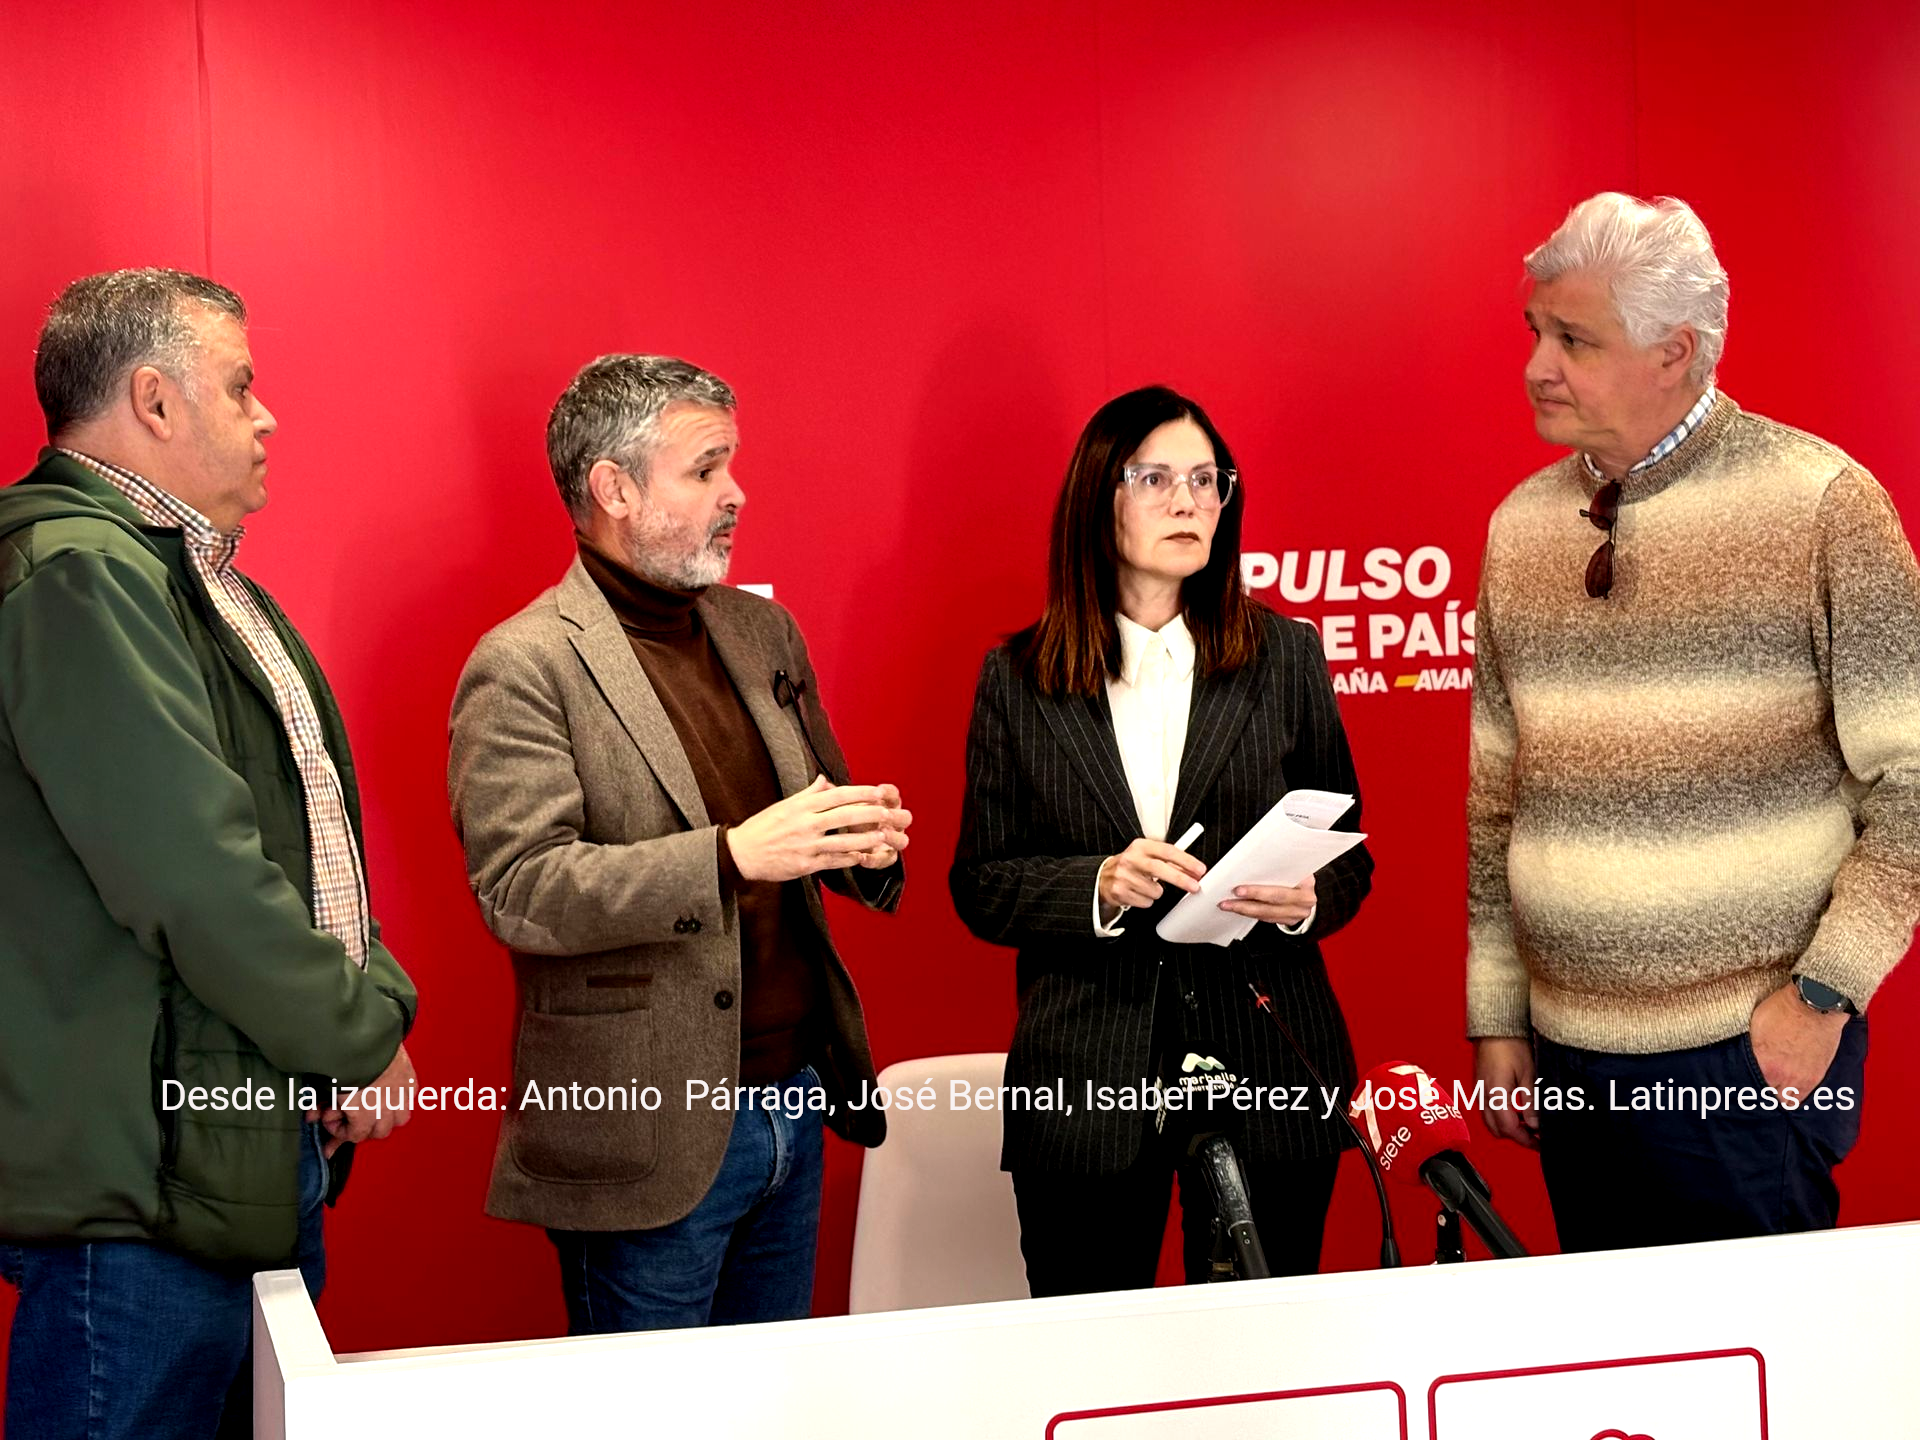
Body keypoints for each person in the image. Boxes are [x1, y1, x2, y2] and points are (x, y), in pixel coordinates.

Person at [0, 268, 418, 1440]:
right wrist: (355, 1037)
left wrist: (354, 1017)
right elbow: (195, 873)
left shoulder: (184, 579)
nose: (266, 416)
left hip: (226, 1147)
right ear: (153, 401)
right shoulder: (81, 573)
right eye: (240, 386)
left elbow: (305, 844)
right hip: (143, 1191)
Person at [1468, 193, 1920, 1251]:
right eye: (1536, 331)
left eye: (1574, 339)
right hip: (1567, 1057)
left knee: (1757, 1356)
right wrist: (1497, 1014)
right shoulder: (1521, 526)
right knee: (1612, 1358)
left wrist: (1822, 997)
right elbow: (1497, 802)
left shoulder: (1822, 503)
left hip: (1746, 1059)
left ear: (1674, 351)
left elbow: (1913, 784)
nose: (1537, 366)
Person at [448, 354, 909, 1333]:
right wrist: (729, 857)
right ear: (613, 489)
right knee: (650, 1410)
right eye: (705, 469)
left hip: (796, 1103)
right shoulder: (523, 662)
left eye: (730, 465)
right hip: (643, 1130)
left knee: (770, 1404)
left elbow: (811, 810)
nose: (736, 493)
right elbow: (521, 888)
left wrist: (859, 839)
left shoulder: (762, 631)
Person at [949, 384, 1373, 1295]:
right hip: (1087, 1074)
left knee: (1256, 1357)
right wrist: (1097, 884)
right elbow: (981, 884)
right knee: (1094, 1356)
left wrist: (1305, 902)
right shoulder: (1018, 678)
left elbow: (1350, 856)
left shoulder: (1285, 656)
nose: (1189, 501)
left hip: (1268, 1056)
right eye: (1157, 479)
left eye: (1207, 480)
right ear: (1098, 496)